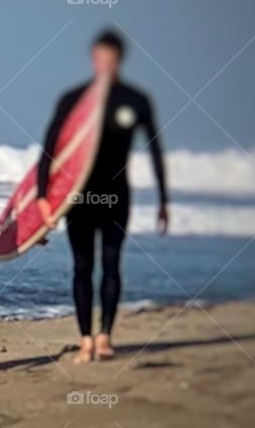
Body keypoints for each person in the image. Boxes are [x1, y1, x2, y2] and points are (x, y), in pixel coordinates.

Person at [36, 30, 168, 363]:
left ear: (119, 60)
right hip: (78, 198)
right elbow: (50, 150)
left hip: (116, 197)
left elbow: (155, 150)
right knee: (82, 266)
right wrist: (41, 198)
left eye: (111, 59)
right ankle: (84, 339)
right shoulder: (73, 99)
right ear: (94, 59)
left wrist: (164, 200)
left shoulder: (135, 100)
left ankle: (105, 336)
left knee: (111, 264)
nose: (105, 65)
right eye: (100, 58)